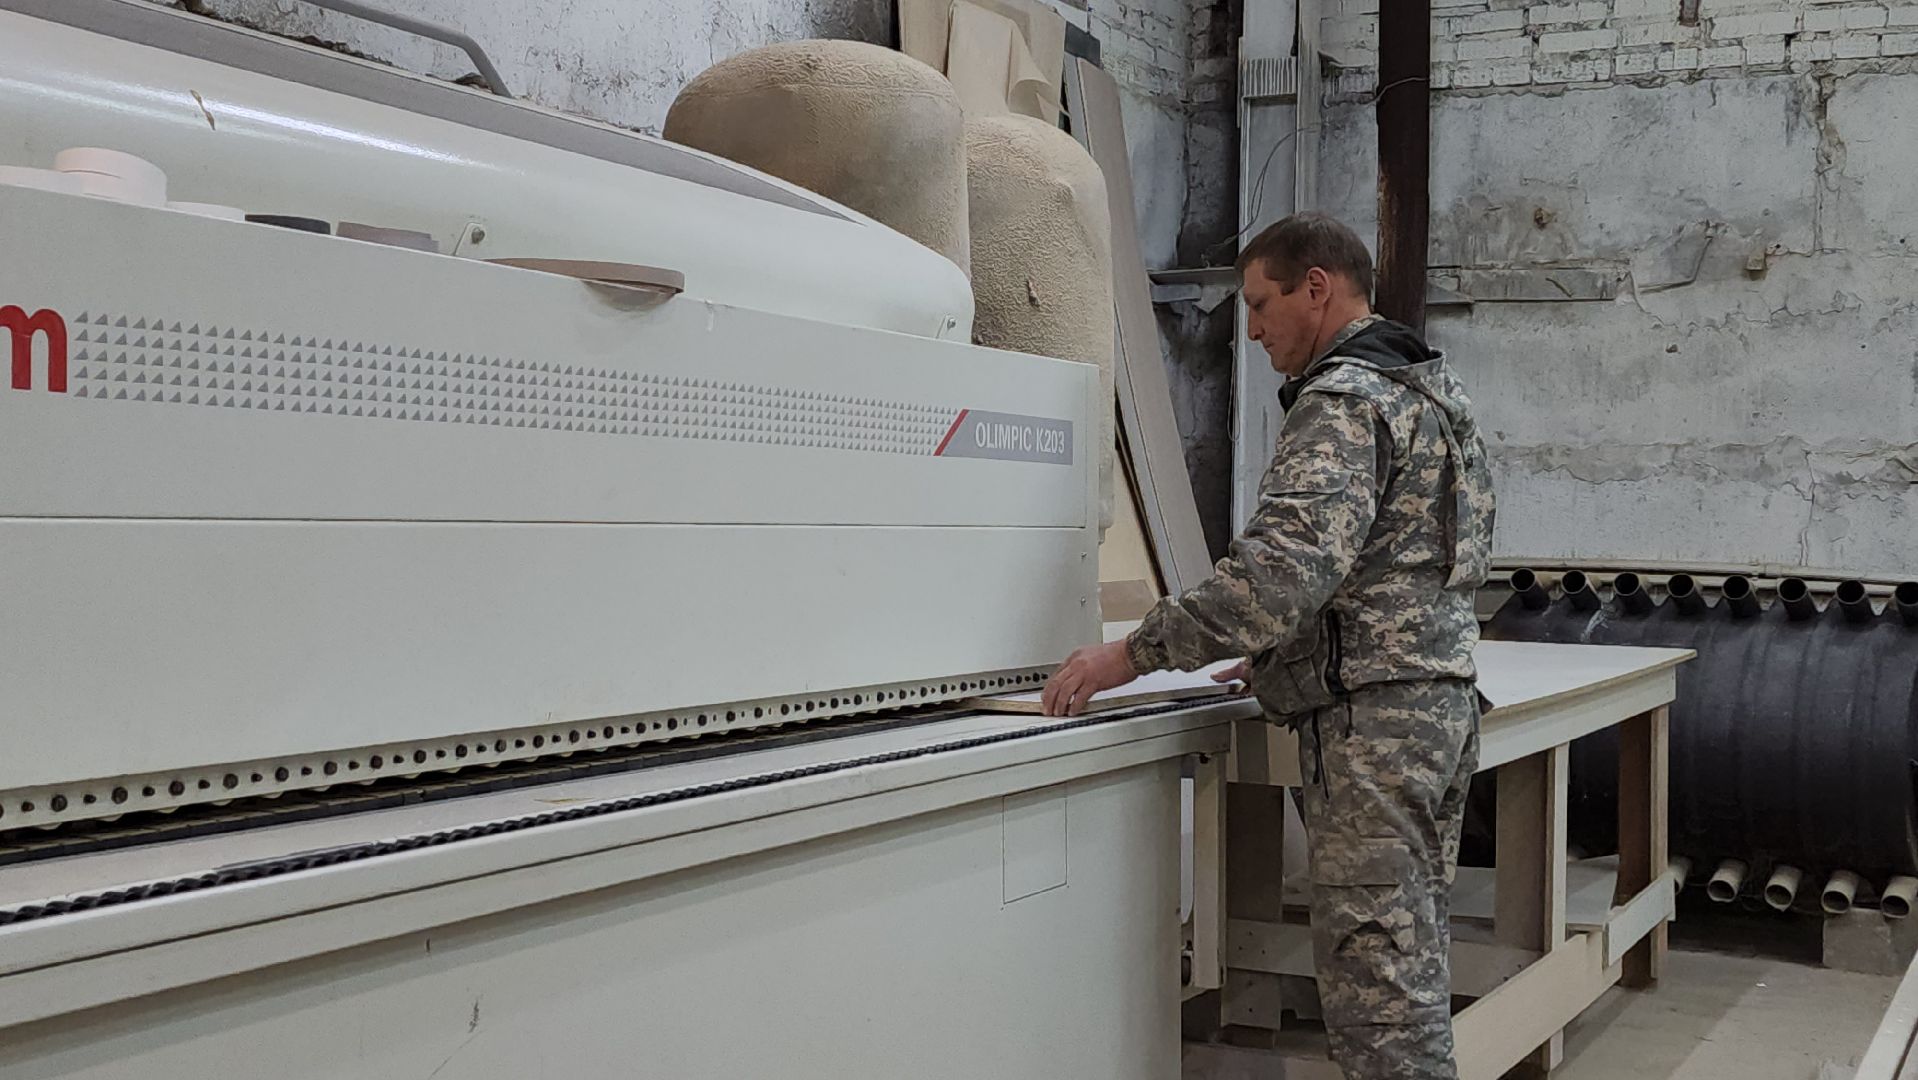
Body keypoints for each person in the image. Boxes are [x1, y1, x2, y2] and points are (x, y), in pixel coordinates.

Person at [1041, 212, 1495, 1080]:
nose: (1251, 331)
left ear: (1316, 287)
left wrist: (1126, 654)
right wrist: (1290, 656)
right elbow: (1402, 565)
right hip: (1436, 711)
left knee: (1376, 996)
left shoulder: (1342, 400)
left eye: (1260, 304)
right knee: (1411, 962)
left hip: (1375, 736)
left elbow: (1278, 573)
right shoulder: (1431, 391)